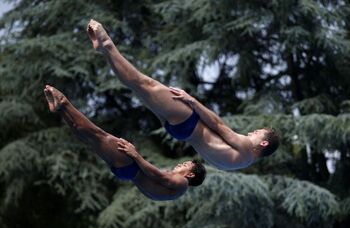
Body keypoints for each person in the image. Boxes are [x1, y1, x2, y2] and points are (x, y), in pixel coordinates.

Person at [87, 19, 280, 170]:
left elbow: (219, 125)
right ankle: (105, 50)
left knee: (142, 82)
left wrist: (193, 102)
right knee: (137, 87)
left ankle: (107, 44)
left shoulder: (247, 148)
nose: (251, 132)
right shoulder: (241, 163)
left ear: (263, 143)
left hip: (189, 121)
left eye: (256, 133)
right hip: (182, 132)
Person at [43, 85, 206, 201]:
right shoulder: (176, 189)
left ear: (190, 174)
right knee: (89, 138)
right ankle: (61, 110)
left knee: (97, 135)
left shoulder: (183, 183)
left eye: (186, 164)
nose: (180, 164)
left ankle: (64, 102)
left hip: (131, 167)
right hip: (127, 171)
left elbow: (158, 175)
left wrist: (135, 155)